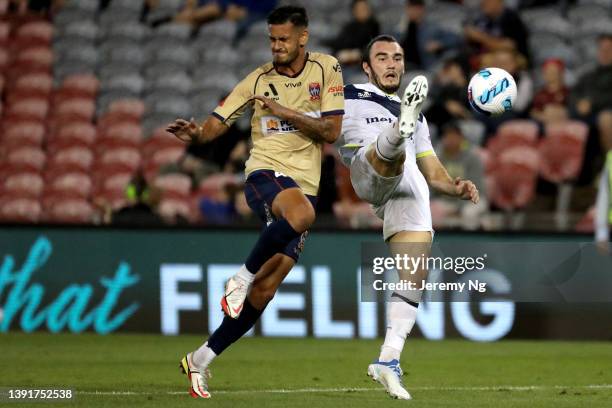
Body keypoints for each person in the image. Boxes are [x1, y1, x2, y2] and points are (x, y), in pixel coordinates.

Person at [166, 5, 344, 398]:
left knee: (267, 289)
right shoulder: (258, 81)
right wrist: (197, 135)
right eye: (272, 39)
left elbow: (331, 130)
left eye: (283, 39)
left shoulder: (326, 69)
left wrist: (285, 112)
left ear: (303, 37)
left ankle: (200, 359)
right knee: (302, 214)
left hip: (303, 185)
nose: (277, 46)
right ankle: (239, 278)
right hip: (264, 174)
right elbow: (218, 122)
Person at [337, 35, 479, 399]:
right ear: (367, 67)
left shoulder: (420, 118)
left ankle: (388, 360)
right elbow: (313, 123)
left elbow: (432, 171)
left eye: (397, 58)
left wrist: (456, 187)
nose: (391, 64)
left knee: (414, 275)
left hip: (409, 186)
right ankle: (393, 137)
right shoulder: (346, 95)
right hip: (365, 165)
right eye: (381, 57)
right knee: (392, 153)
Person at [433, 123, 488, 230]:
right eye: (448, 136)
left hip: (473, 199)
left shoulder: (473, 158)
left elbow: (474, 188)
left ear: (462, 138)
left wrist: (457, 208)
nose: (451, 139)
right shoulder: (437, 159)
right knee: (431, 210)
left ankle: (470, 244)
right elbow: (433, 186)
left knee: (469, 212)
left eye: (455, 136)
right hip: (446, 200)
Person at [399, 0, 462, 70]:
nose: (410, 12)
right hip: (405, 65)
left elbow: (456, 38)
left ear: (421, 10)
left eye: (413, 9)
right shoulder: (404, 26)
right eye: (408, 9)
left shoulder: (431, 27)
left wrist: (439, 44)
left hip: (425, 66)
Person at [464, 0, 529, 66]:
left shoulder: (511, 18)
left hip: (515, 56)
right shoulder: (482, 19)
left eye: (488, 1)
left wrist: (480, 37)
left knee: (502, 58)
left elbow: (510, 46)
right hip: (487, 55)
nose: (483, 3)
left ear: (499, 2)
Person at [325, 0, 380, 66]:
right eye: (358, 9)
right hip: (343, 63)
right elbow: (339, 43)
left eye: (364, 8)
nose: (361, 11)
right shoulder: (350, 27)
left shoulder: (374, 26)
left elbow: (374, 47)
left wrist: (356, 54)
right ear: (354, 11)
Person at [530, 58, 569, 125]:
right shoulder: (539, 94)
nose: (550, 74)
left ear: (561, 73)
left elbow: (572, 111)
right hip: (543, 126)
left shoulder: (568, 92)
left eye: (554, 71)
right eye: (547, 71)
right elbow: (533, 112)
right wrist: (543, 116)